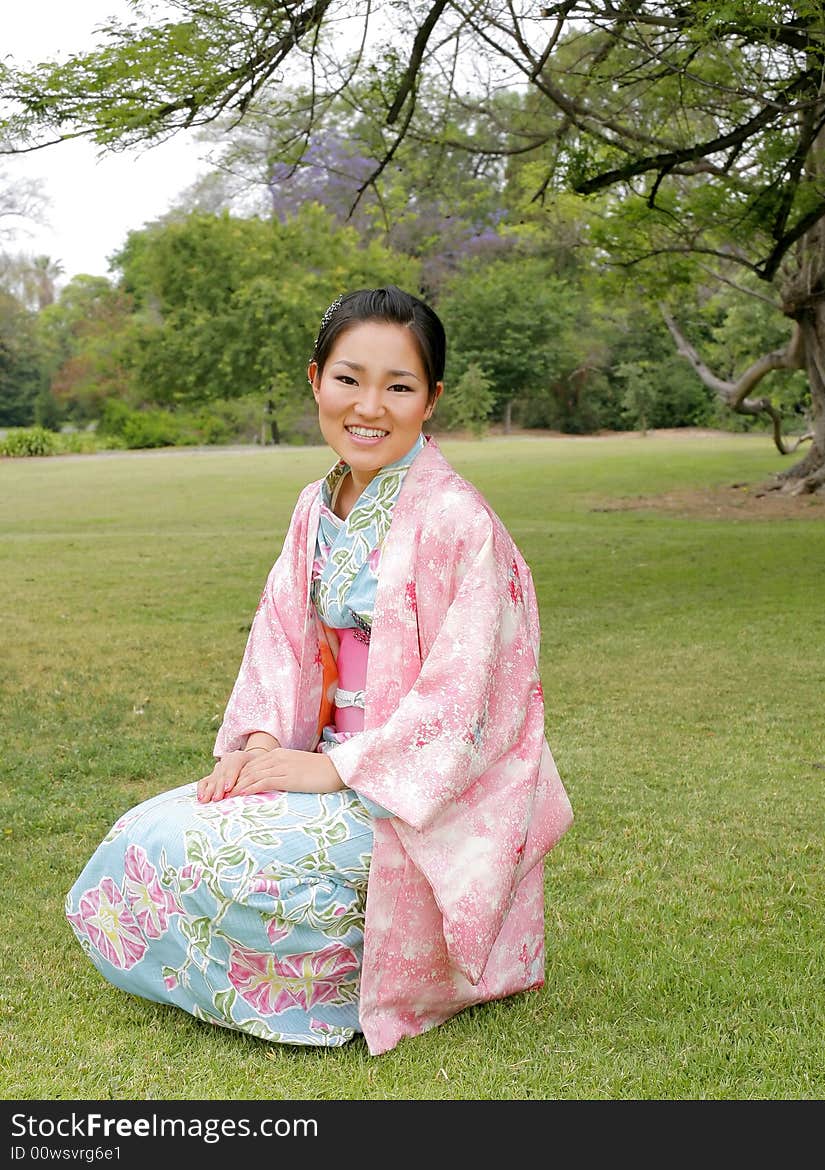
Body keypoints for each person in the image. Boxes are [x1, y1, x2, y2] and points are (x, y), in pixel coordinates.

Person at [65, 285, 574, 1056]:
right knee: (147, 836)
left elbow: (470, 702)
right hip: (327, 763)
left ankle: (356, 982)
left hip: (415, 795)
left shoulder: (459, 522)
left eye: (399, 386)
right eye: (349, 379)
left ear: (431, 399)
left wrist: (332, 771)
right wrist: (265, 744)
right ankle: (291, 969)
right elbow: (280, 636)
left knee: (228, 861)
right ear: (315, 381)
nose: (369, 406)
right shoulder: (317, 505)